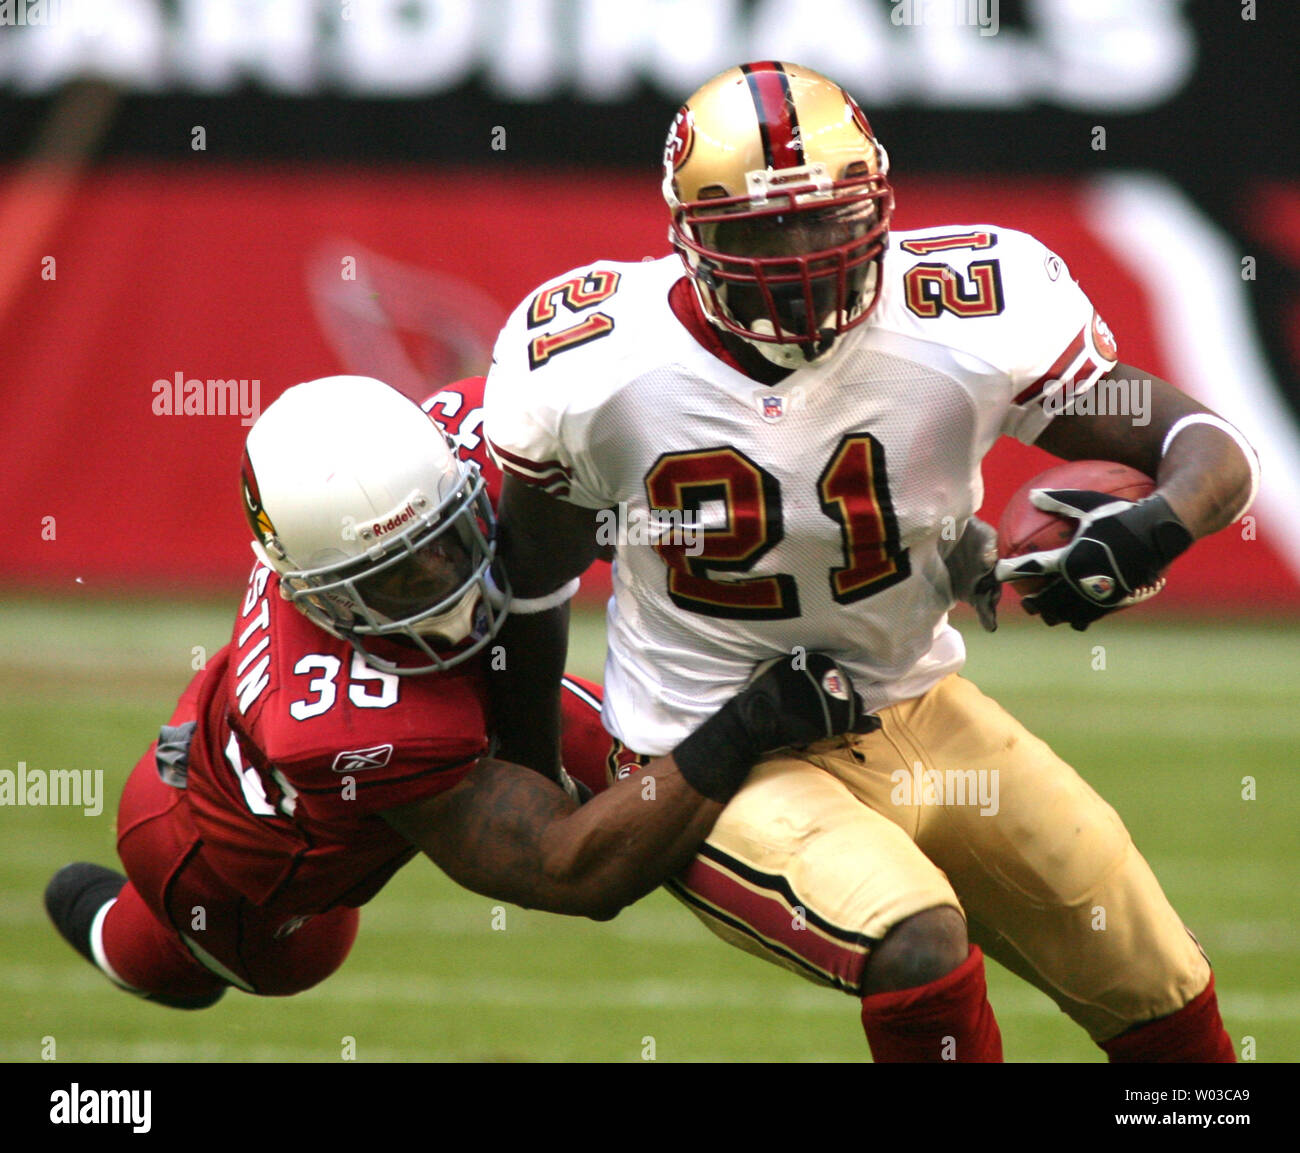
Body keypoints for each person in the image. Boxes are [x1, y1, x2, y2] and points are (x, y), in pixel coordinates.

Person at [482, 61, 1260, 1062]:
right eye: (760, 231)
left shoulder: (966, 309)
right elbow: (535, 582)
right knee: (915, 942)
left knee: (1154, 980)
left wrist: (1145, 526)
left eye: (822, 220)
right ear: (686, 237)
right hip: (717, 755)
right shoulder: (592, 360)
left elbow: (1204, 446)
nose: (799, 256)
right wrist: (521, 766)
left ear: (879, 206)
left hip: (918, 705)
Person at [44, 373, 866, 1007]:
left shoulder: (474, 433)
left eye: (445, 540)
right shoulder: (335, 722)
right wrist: (746, 722)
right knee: (264, 961)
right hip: (228, 858)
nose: (442, 582)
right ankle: (118, 935)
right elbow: (571, 874)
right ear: (324, 596)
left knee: (656, 758)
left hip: (264, 723)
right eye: (395, 579)